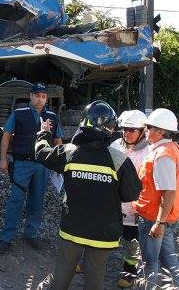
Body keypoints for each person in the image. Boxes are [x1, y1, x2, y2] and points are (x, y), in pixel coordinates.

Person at [34, 100, 142, 290]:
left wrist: (44, 132)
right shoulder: (118, 159)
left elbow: (42, 153)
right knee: (95, 276)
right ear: (108, 128)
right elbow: (131, 194)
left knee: (62, 272)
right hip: (103, 232)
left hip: (72, 228)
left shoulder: (69, 152)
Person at [0, 82, 63, 253]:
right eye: (37, 96)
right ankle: (6, 237)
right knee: (15, 200)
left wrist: (58, 163)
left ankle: (31, 234)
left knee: (37, 201)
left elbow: (57, 141)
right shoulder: (18, 114)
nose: (40, 99)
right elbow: (6, 137)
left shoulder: (52, 117)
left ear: (46, 98)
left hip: (43, 166)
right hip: (22, 164)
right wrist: (3, 159)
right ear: (31, 96)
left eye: (43, 96)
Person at [133, 108, 179, 289]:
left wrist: (159, 223)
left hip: (154, 218)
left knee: (150, 263)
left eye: (149, 127)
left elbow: (168, 191)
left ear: (161, 131)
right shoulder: (173, 149)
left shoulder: (162, 154)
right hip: (164, 217)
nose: (145, 130)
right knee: (169, 262)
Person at [111, 110, 150, 288]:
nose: (127, 133)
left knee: (131, 242)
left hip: (133, 206)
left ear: (142, 132)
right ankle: (90, 262)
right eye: (125, 129)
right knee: (103, 233)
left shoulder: (148, 153)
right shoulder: (114, 146)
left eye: (132, 130)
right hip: (111, 203)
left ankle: (130, 271)